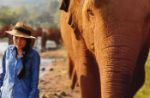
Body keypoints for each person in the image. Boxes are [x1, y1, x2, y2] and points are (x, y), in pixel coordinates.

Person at [0, 22, 40, 98]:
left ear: (27, 40)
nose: (18, 41)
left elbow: (34, 83)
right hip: (6, 94)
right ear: (12, 37)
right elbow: (4, 74)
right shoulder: (8, 51)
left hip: (24, 95)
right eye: (16, 37)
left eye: (22, 38)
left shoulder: (34, 55)